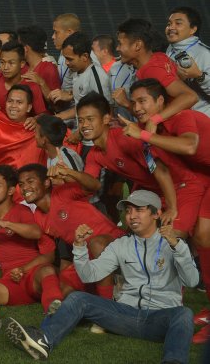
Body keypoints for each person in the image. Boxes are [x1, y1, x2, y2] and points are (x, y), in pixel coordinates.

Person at [4, 190, 197, 363]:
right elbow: (90, 275)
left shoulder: (173, 244)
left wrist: (178, 247)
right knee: (78, 298)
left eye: (139, 210)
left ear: (156, 214)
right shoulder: (122, 245)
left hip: (159, 318)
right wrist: (79, 247)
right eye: (128, 211)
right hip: (125, 315)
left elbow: (192, 281)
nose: (131, 216)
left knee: (184, 314)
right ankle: (44, 341)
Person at [123, 78, 210, 343]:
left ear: (161, 101)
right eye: (134, 102)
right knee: (199, 236)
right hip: (202, 178)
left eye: (143, 101)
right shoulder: (143, 128)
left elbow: (189, 146)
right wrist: (171, 205)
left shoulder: (182, 116)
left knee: (201, 236)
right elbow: (158, 168)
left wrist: (145, 134)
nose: (137, 107)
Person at [70, 92, 205, 238]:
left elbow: (160, 170)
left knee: (173, 236)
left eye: (90, 119)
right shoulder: (94, 154)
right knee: (140, 239)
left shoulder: (125, 139)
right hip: (157, 192)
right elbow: (92, 184)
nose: (84, 125)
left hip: (181, 186)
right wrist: (69, 172)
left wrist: (172, 208)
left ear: (106, 118)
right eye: (81, 120)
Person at [0, 166, 63, 331]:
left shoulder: (22, 211)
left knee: (47, 271)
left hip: (33, 275)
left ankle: (55, 309)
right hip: (11, 280)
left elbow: (36, 232)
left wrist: (6, 224)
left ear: (11, 190)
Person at [19, 164, 123, 301]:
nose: (25, 187)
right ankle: (91, 302)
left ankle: (108, 307)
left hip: (114, 241)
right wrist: (24, 269)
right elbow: (50, 252)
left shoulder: (62, 193)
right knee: (63, 287)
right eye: (21, 184)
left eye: (30, 181)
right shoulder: (39, 217)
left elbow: (95, 185)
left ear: (46, 182)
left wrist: (69, 172)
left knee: (95, 243)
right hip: (86, 254)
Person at [115, 18, 198, 121]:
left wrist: (127, 104)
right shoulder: (159, 57)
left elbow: (190, 96)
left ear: (137, 45)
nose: (117, 48)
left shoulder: (152, 70)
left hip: (179, 131)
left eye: (120, 43)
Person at [165, 6, 210, 116]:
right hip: (181, 116)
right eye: (169, 24)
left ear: (193, 29)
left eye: (178, 23)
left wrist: (199, 76)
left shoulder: (203, 53)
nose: (171, 27)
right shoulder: (171, 48)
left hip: (202, 117)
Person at [0, 42, 48, 116]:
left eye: (11, 63)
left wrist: (34, 120)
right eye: (2, 62)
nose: (5, 67)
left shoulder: (31, 85)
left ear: (22, 64)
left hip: (21, 126)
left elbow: (42, 114)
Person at [17, 25, 61, 100]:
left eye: (18, 45)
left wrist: (42, 84)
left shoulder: (49, 69)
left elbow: (57, 106)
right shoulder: (22, 67)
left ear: (25, 48)